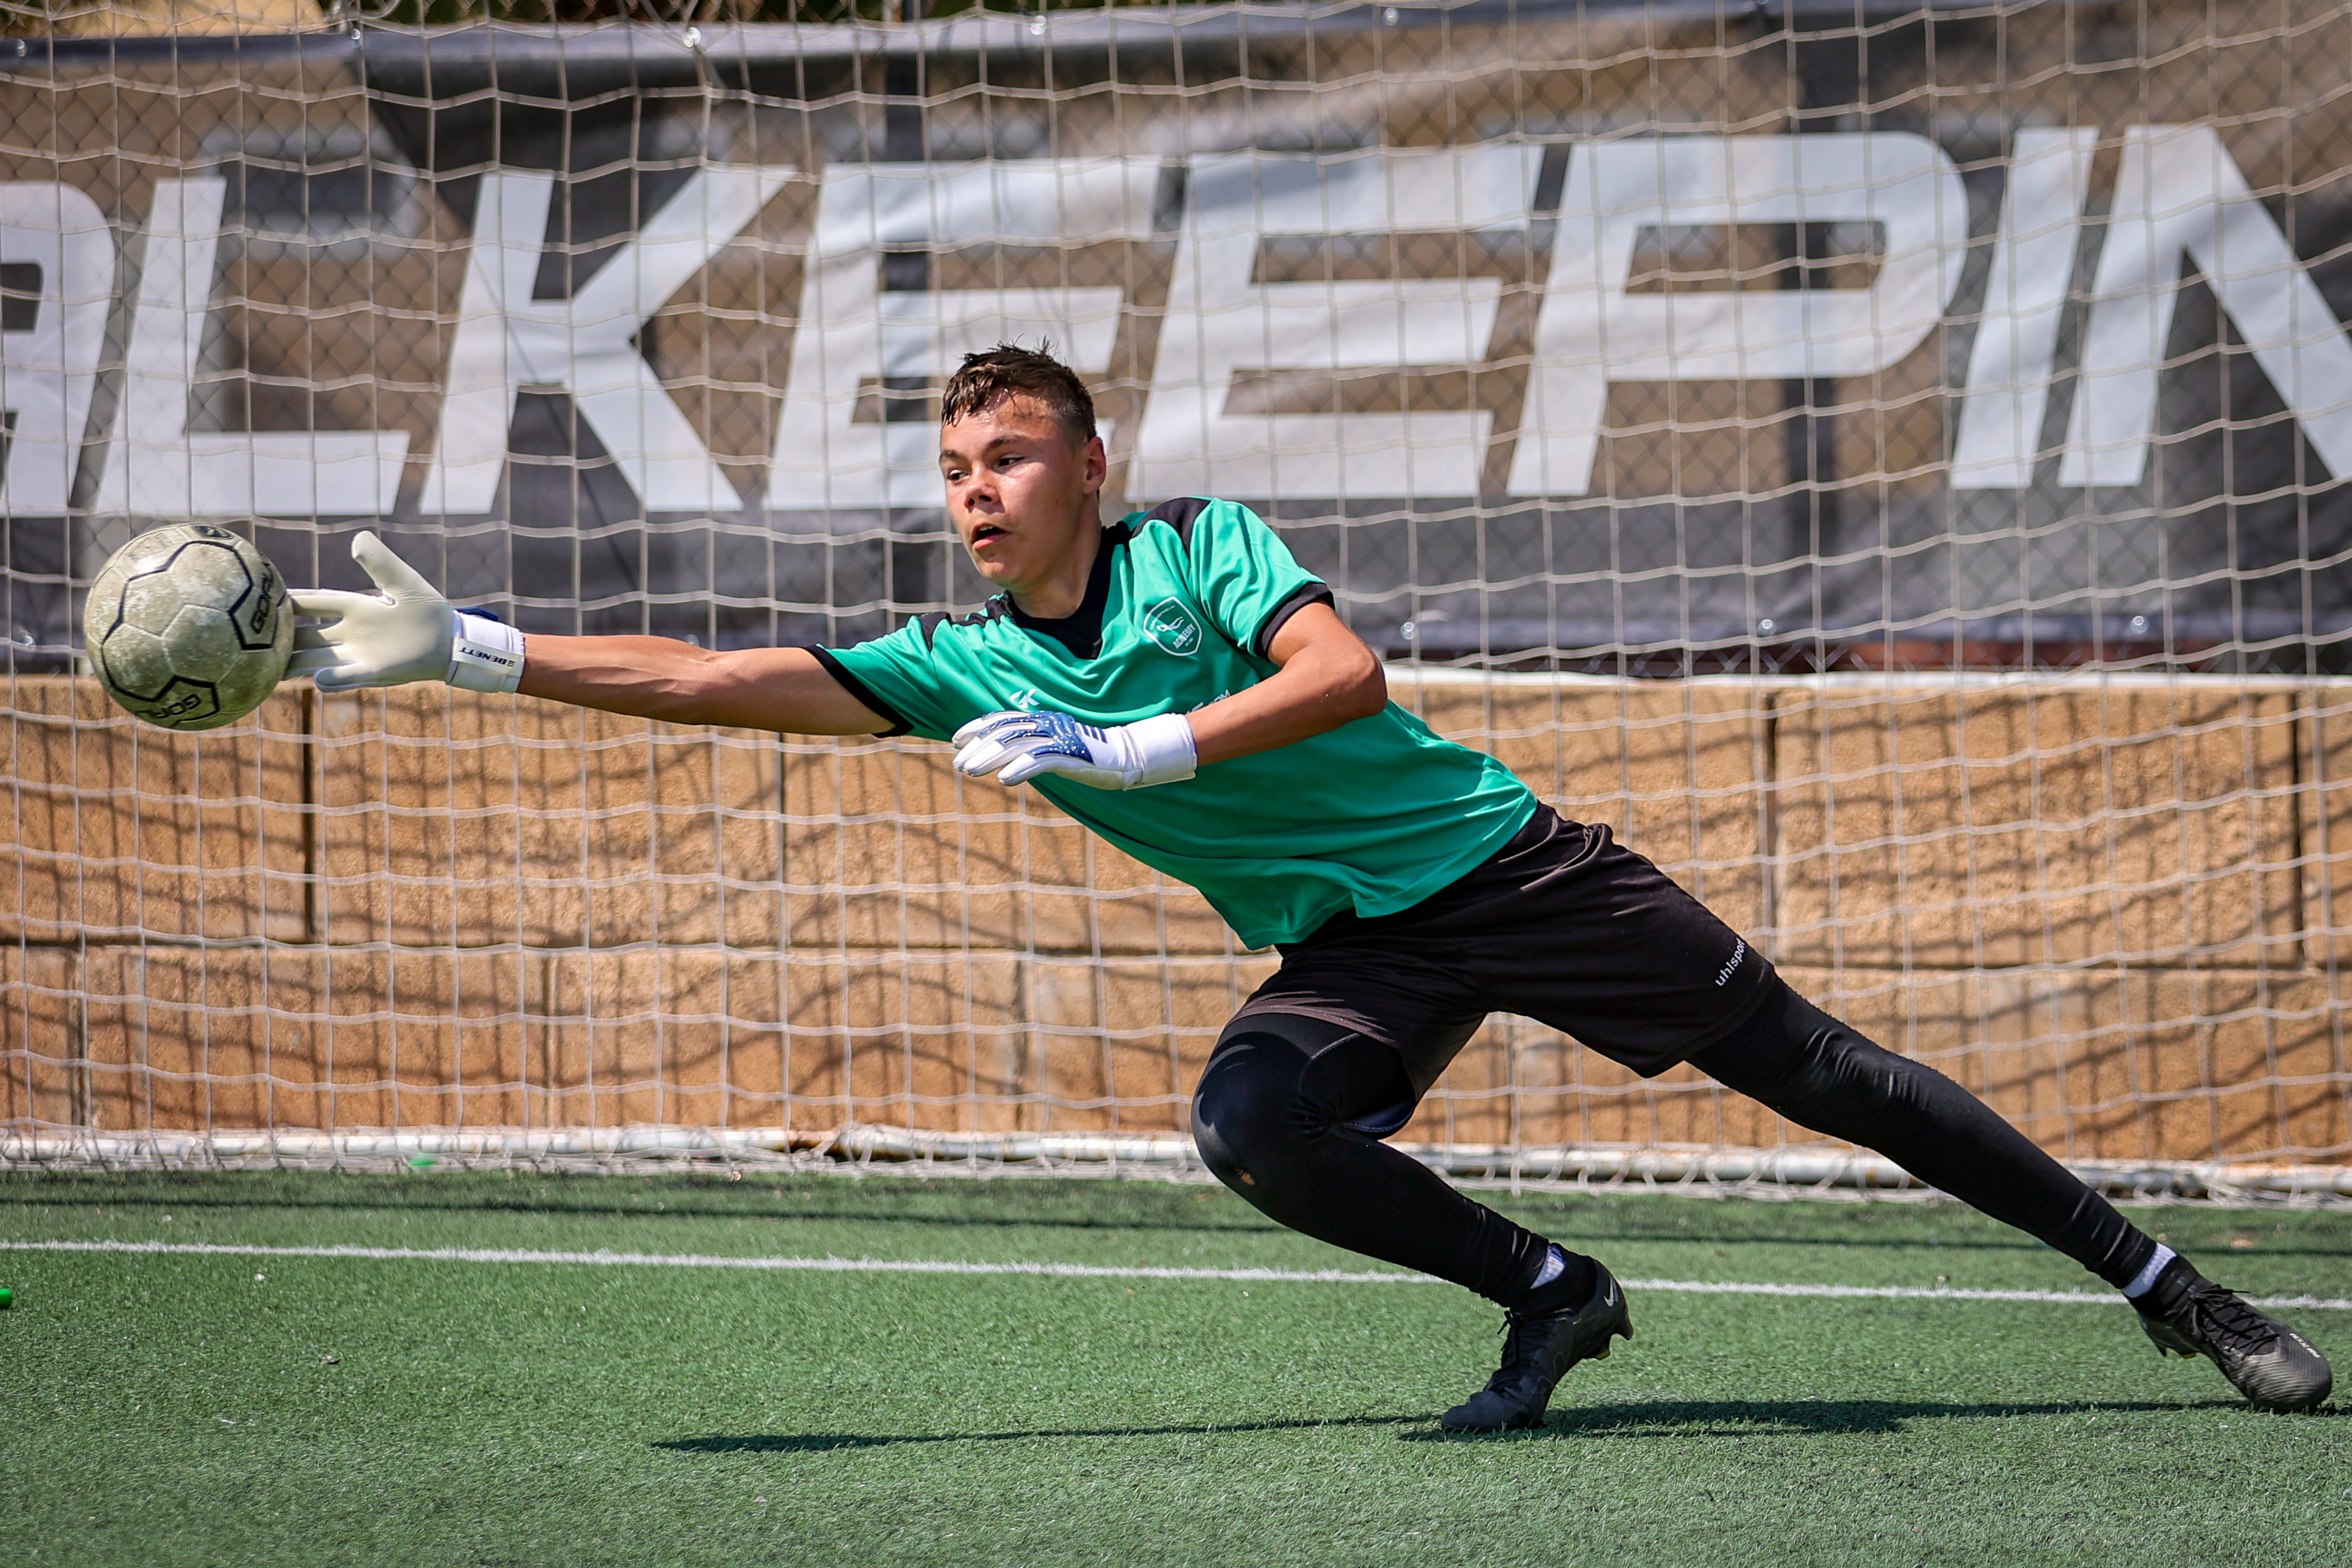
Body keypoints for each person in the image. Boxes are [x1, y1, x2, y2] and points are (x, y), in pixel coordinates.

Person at [290, 345, 2334, 1428]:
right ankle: (1553, 1294)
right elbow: (728, 678)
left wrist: (1142, 749)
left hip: (1503, 866)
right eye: (950, 465)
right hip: (1357, 943)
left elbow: (1344, 678)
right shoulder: (962, 661)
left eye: (1006, 453)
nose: (973, 489)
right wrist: (483, 651)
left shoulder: (1193, 548)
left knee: (1813, 1070)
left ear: (1092, 464)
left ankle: (2169, 1291)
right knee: (1251, 1122)